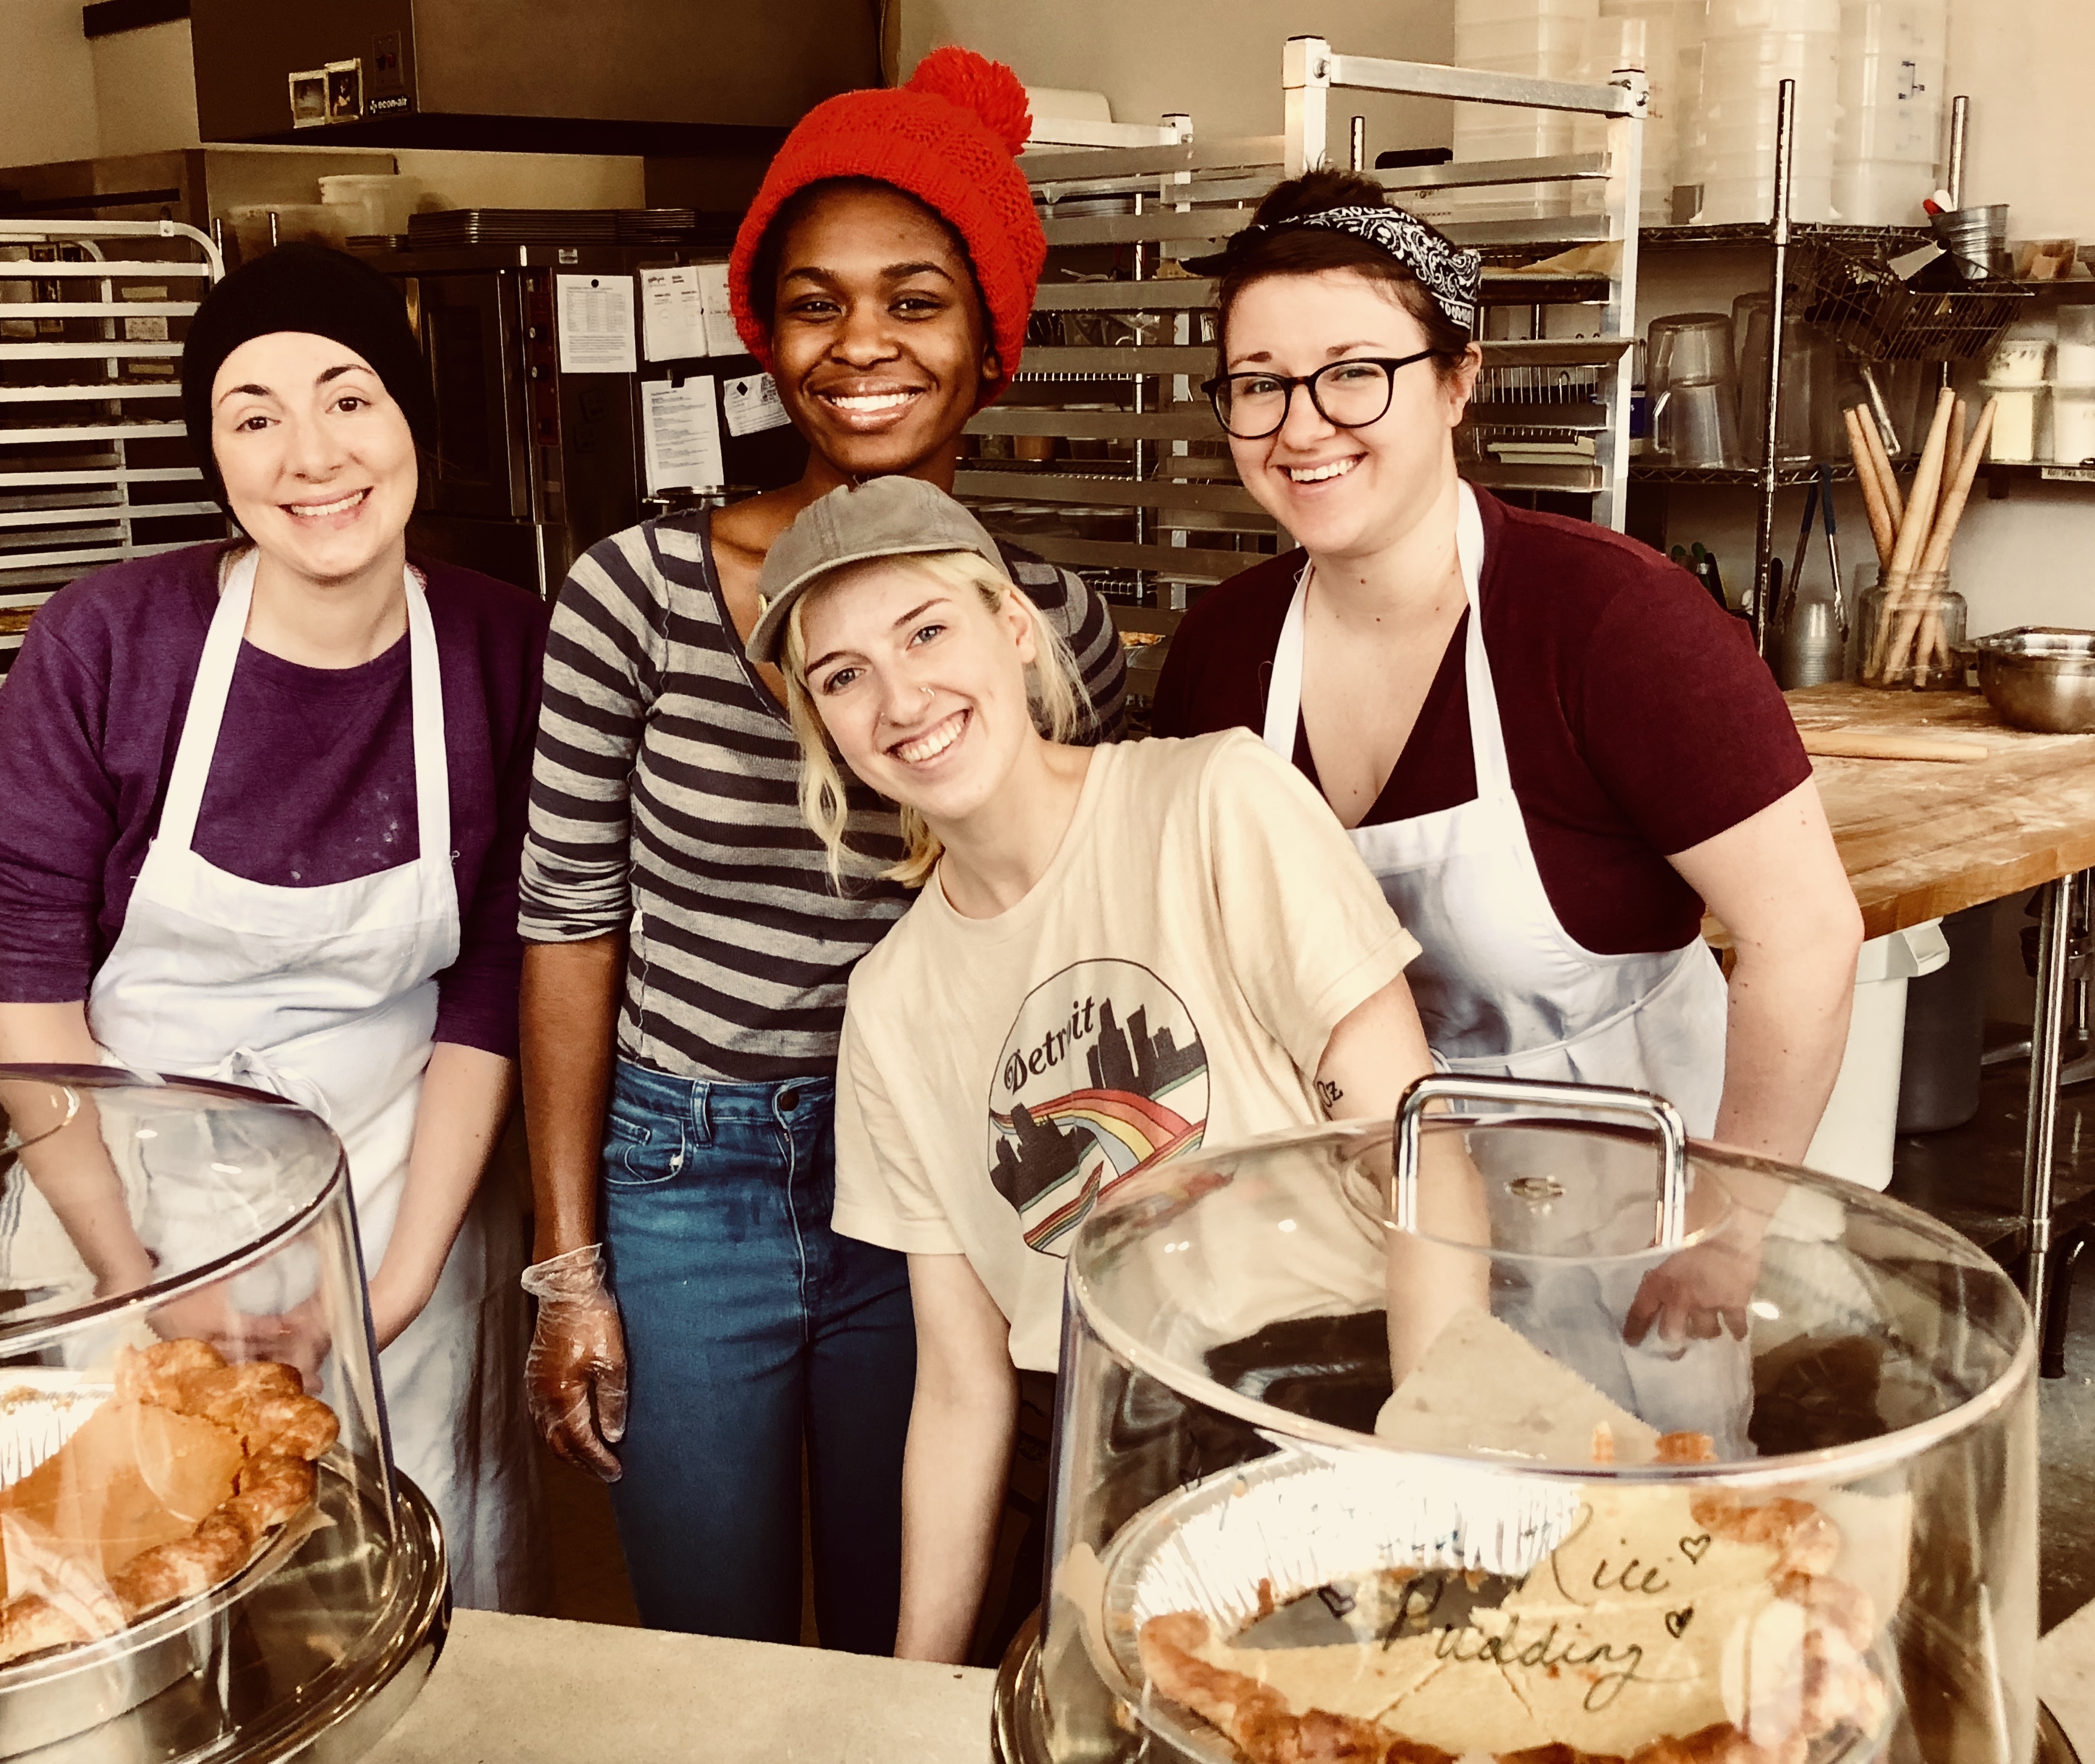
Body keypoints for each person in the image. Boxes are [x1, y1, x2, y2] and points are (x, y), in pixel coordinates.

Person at [516, 47, 1127, 1654]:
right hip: (685, 1170)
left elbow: (1066, 930)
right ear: (764, 332)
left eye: (916, 299)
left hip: (919, 1187)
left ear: (989, 341)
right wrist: (569, 1261)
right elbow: (568, 921)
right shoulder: (634, 594)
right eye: (814, 300)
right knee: (706, 1645)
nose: (861, 345)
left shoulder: (1052, 626)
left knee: (901, 1622)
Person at [748, 475, 1464, 1665]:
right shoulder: (889, 1003)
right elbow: (963, 1385)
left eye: (925, 630)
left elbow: (1410, 1151)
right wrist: (913, 1682)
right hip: (1110, 1447)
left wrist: (1434, 1469)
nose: (900, 696)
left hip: (1341, 1391)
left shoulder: (1208, 802)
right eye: (843, 675)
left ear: (1013, 630)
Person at [1149, 169, 1864, 1355]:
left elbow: (1806, 931)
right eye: (1258, 386)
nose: (1301, 424)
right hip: (1345, 1237)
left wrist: (1728, 1224)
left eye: (1353, 372)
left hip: (1624, 1243)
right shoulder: (1222, 651)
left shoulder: (1607, 622)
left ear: (1455, 378)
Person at [0, 243, 544, 1613]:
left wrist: (383, 1290)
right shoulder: (107, 643)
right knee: (133, 1594)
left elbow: (491, 987)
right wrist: (137, 1282)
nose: (309, 454)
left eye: (348, 398)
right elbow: (34, 994)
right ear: (214, 457)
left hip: (397, 1185)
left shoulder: (502, 646)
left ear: (410, 424)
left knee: (408, 1583)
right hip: (121, 1179)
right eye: (253, 414)